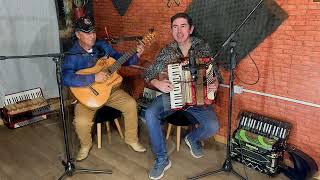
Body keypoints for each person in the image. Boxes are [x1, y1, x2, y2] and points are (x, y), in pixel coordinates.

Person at [144, 12, 222, 179]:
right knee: (150, 113)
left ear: (191, 29)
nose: (179, 31)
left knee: (213, 126)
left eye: (183, 26)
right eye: (175, 27)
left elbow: (215, 73)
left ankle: (192, 138)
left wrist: (214, 82)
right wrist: (158, 83)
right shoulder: (167, 50)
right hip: (174, 96)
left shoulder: (203, 47)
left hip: (198, 99)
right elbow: (149, 73)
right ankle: (162, 159)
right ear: (171, 30)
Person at [62, 16, 146, 161]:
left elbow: (119, 58)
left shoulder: (102, 46)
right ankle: (85, 145)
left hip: (110, 90)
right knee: (81, 122)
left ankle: (131, 139)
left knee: (131, 104)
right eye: (87, 33)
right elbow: (66, 78)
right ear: (77, 35)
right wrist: (93, 78)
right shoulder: (72, 55)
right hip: (87, 96)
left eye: (93, 32)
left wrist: (136, 55)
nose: (93, 36)